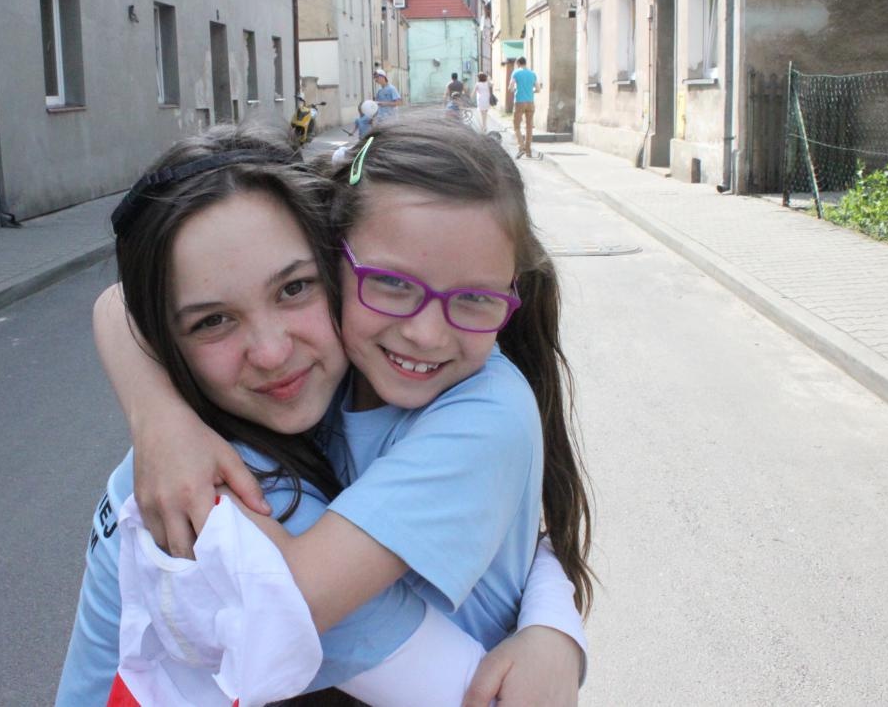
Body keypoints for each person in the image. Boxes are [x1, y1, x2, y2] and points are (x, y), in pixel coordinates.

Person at [59, 121, 590, 705]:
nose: (272, 352)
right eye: (212, 321)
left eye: (294, 288)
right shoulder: (218, 489)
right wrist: (156, 415)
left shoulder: (385, 395)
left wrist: (552, 617)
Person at [508, 57, 541, 159]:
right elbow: (538, 89)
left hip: (519, 102)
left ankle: (521, 147)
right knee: (529, 127)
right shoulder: (532, 73)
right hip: (530, 102)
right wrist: (531, 91)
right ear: (526, 63)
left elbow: (510, 88)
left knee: (516, 126)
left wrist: (515, 90)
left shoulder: (516, 73)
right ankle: (528, 151)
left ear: (518, 63)